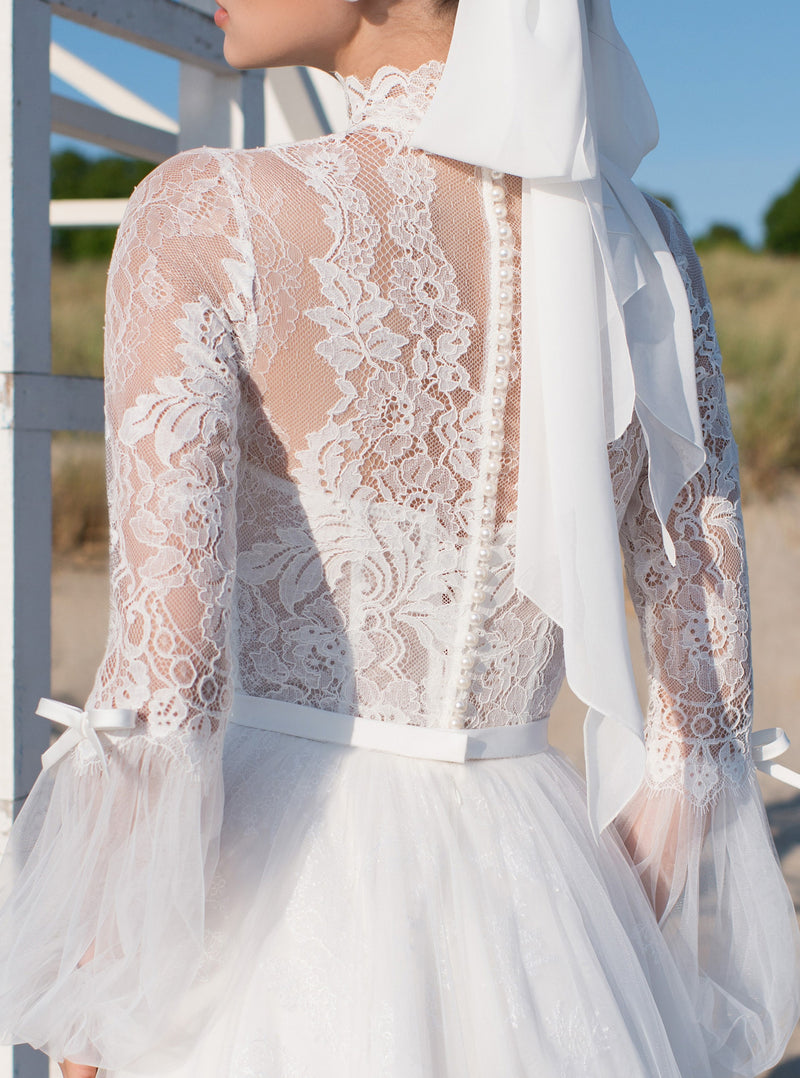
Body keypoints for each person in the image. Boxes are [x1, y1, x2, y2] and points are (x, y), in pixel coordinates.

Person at [1, 0, 799, 1075]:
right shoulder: (642, 243)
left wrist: (100, 991)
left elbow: (167, 679)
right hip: (541, 885)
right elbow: (702, 708)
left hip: (272, 912)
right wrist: (590, 934)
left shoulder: (208, 213)